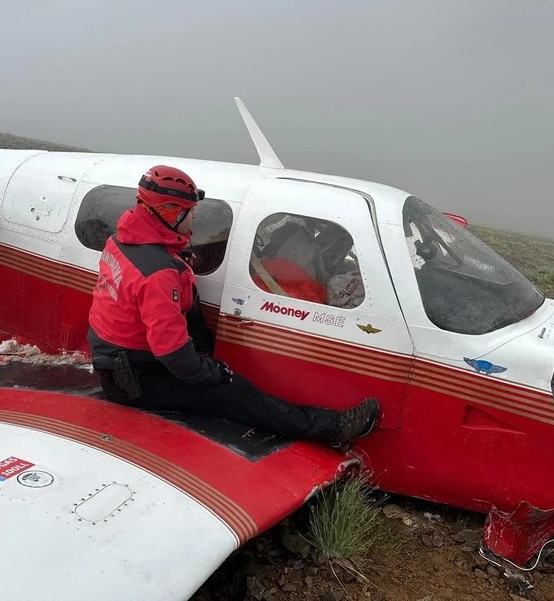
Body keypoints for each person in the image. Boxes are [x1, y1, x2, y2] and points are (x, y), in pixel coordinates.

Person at [87, 164, 380, 448]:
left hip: (118, 359)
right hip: (135, 379)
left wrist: (177, 263)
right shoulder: (160, 273)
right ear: (171, 215)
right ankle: (330, 428)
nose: (193, 222)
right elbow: (173, 353)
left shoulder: (123, 240)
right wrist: (214, 375)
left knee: (189, 298)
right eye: (190, 214)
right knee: (235, 393)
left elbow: (140, 283)